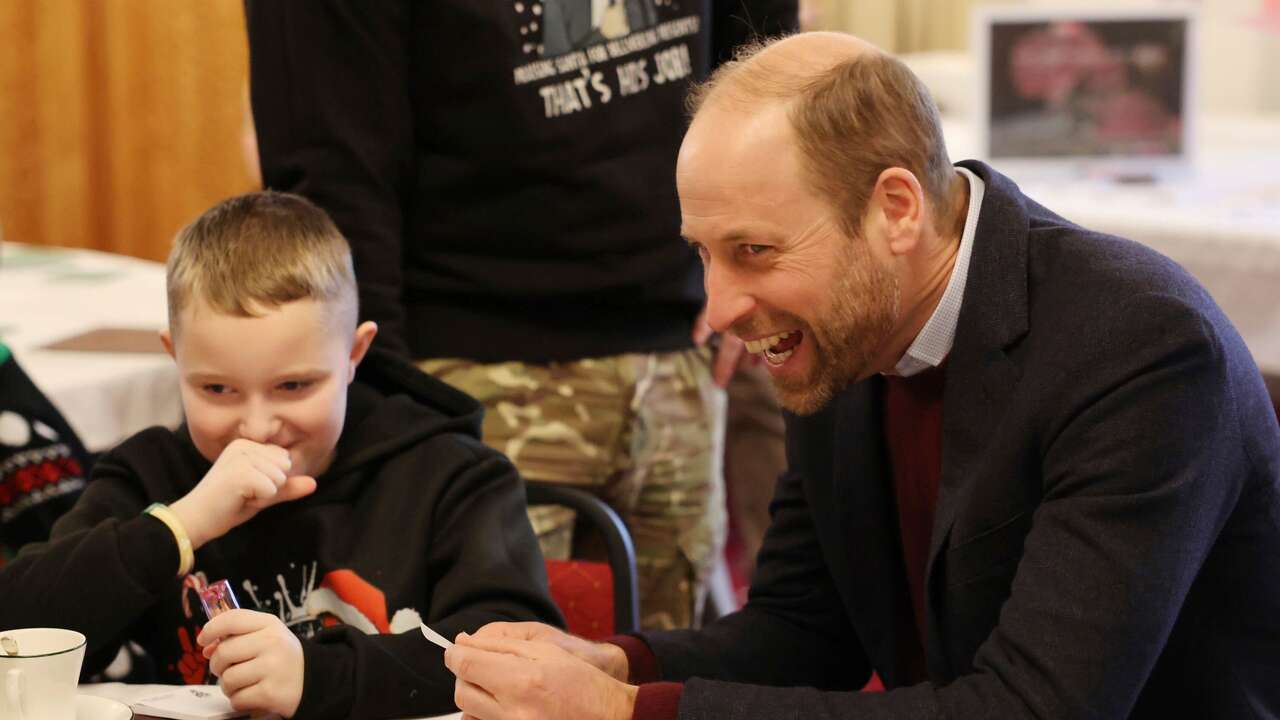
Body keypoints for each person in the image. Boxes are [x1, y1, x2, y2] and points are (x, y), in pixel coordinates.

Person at [442, 32, 1280, 719]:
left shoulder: (1142, 350)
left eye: (754, 252)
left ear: (896, 209)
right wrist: (616, 662)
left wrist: (625, 713)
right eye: (704, 254)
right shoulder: (844, 328)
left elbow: (1034, 708)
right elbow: (806, 631)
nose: (721, 307)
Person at [245, 0, 798, 631]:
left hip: (677, 348)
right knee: (484, 681)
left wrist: (752, 269)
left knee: (663, 680)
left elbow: (760, 61)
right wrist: (397, 419)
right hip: (469, 374)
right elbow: (332, 169)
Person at [0, 192, 561, 719]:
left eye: (294, 386)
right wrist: (180, 525)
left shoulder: (452, 475)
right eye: (217, 390)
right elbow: (18, 637)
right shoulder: (151, 476)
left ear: (354, 354)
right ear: (175, 359)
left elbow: (520, 652)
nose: (259, 426)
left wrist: (317, 677)